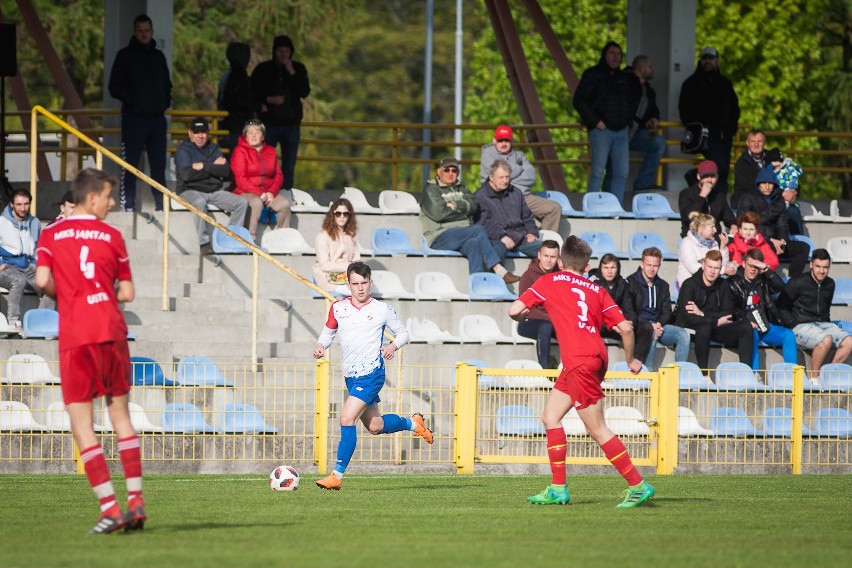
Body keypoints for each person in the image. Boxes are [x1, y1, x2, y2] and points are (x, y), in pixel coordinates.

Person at [34, 168, 144, 534]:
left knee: (82, 424)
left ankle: (111, 509)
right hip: (110, 329)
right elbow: (127, 293)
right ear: (92, 197)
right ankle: (136, 502)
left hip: (76, 334)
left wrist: (69, 297)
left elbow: (41, 281)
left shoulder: (50, 234)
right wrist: (102, 294)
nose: (112, 203)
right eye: (109, 196)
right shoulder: (111, 235)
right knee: (121, 416)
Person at [508, 235, 654, 508]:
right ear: (588, 267)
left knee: (596, 428)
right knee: (550, 416)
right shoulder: (596, 289)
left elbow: (514, 309)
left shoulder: (549, 280)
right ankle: (558, 488)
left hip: (578, 360)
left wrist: (523, 316)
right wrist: (632, 359)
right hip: (596, 357)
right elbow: (626, 328)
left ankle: (638, 484)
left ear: (561, 262)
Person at [313, 261, 433, 490]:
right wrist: (321, 345)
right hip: (352, 376)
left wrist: (392, 346)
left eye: (364, 283)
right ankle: (413, 423)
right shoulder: (338, 308)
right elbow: (328, 332)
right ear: (348, 284)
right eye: (355, 283)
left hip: (372, 373)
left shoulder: (382, 309)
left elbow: (404, 334)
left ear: (371, 283)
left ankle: (336, 476)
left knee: (346, 419)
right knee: (375, 426)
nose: (360, 288)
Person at [108, 14, 171, 212]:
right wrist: (134, 101)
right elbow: (114, 86)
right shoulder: (124, 55)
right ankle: (128, 205)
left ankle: (161, 206)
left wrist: (164, 102)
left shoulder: (159, 56)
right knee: (130, 164)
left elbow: (167, 85)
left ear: (152, 32)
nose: (144, 35)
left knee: (158, 166)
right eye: (140, 31)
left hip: (157, 119)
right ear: (135, 32)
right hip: (134, 119)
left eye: (147, 31)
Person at [420, 157, 519, 283]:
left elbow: (473, 206)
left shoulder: (461, 187)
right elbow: (441, 214)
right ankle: (498, 269)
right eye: (447, 170)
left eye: (454, 170)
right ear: (439, 171)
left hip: (462, 234)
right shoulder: (431, 190)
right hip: (439, 236)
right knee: (477, 229)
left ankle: (477, 285)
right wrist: (463, 209)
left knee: (474, 243)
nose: (451, 173)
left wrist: (455, 206)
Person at [573, 41, 636, 204]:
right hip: (601, 130)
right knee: (597, 172)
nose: (615, 57)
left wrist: (628, 121)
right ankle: (592, 206)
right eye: (611, 53)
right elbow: (579, 100)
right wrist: (595, 121)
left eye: (618, 54)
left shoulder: (624, 77)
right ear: (604, 55)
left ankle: (615, 208)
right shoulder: (592, 74)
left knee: (621, 172)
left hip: (621, 131)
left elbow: (632, 101)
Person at [175, 117, 248, 254]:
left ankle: (230, 240)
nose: (200, 136)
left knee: (242, 202)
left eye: (203, 132)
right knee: (199, 201)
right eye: (197, 132)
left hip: (213, 190)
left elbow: (225, 171)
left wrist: (203, 166)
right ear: (190, 133)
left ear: (208, 133)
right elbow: (187, 176)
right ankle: (204, 244)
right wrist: (213, 168)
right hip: (189, 190)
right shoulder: (183, 150)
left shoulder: (214, 147)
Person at [676, 250, 755, 374]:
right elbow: (687, 317)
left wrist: (703, 314)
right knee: (705, 327)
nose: (712, 271)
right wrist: (714, 320)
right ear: (703, 266)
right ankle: (704, 374)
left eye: (717, 268)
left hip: (716, 326)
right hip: (694, 327)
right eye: (710, 267)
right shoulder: (689, 285)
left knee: (745, 327)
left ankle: (746, 372)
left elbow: (728, 312)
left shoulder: (723, 285)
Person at [777, 249, 852, 379]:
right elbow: (781, 306)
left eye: (825, 267)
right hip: (801, 325)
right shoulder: (797, 282)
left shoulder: (830, 284)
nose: (821, 271)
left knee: (849, 342)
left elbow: (826, 307)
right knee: (826, 339)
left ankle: (829, 376)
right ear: (811, 265)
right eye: (818, 266)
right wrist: (792, 323)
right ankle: (814, 378)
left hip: (823, 324)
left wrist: (827, 324)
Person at [250, 35, 311, 190]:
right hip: (269, 125)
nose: (283, 55)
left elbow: (304, 91)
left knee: (289, 167)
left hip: (291, 126)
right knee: (265, 164)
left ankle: (286, 194)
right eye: (279, 51)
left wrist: (291, 71)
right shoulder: (263, 69)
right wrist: (268, 100)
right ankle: (264, 192)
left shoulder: (298, 68)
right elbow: (251, 92)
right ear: (274, 51)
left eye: (286, 51)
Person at [678, 46, 740, 195]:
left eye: (710, 58)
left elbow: (735, 108)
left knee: (722, 169)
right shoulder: (691, 83)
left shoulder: (725, 83)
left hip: (725, 134)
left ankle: (718, 200)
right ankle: (696, 178)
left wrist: (731, 128)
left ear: (717, 61)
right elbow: (684, 109)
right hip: (704, 135)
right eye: (704, 58)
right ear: (701, 61)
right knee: (722, 166)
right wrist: (697, 128)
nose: (707, 61)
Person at [479, 124, 561, 232]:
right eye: (500, 140)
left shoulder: (519, 155)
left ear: (512, 141)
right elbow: (500, 175)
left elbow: (531, 176)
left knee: (554, 208)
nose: (503, 143)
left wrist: (509, 182)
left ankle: (545, 244)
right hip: (500, 197)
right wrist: (518, 168)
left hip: (524, 196)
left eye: (507, 140)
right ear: (494, 140)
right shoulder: (487, 154)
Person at [603, 55, 666, 193]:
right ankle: (606, 199)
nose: (653, 70)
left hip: (635, 132)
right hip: (619, 129)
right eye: (650, 67)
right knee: (613, 169)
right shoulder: (623, 81)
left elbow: (652, 110)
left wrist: (653, 118)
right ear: (641, 68)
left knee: (658, 143)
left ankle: (643, 183)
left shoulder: (649, 91)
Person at [727, 248, 798, 370]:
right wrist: (746, 322)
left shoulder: (762, 280)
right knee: (751, 334)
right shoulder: (733, 282)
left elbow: (781, 287)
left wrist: (765, 269)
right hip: (745, 326)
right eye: (750, 265)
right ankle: (755, 375)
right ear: (743, 264)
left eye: (756, 266)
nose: (753, 269)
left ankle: (792, 376)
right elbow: (731, 308)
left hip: (764, 325)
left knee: (788, 335)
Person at [736, 165, 810, 276]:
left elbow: (783, 225)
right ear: (758, 184)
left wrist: (782, 241)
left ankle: (794, 281)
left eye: (770, 183)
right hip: (756, 243)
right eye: (764, 183)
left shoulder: (778, 199)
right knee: (766, 247)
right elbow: (745, 225)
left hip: (776, 243)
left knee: (803, 248)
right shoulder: (747, 198)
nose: (767, 186)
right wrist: (769, 240)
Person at [625, 247, 691, 370]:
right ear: (642, 264)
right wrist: (650, 325)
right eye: (648, 265)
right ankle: (649, 373)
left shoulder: (663, 285)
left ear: (659, 265)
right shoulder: (630, 282)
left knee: (683, 334)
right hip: (641, 326)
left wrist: (659, 323)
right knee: (651, 331)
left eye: (655, 265)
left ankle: (678, 374)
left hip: (660, 325)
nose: (652, 268)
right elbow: (630, 311)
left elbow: (667, 311)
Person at [0, 189, 55, 330]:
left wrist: (36, 264)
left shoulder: (35, 222)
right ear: (12, 204)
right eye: (18, 204)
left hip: (28, 267)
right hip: (6, 267)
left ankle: (40, 323)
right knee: (18, 279)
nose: (22, 208)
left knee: (51, 284)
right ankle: (13, 321)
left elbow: (38, 248)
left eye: (26, 204)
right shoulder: (2, 222)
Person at [229, 119, 291, 241]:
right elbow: (240, 179)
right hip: (244, 192)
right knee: (256, 203)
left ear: (262, 136)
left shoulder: (271, 151)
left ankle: (282, 239)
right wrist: (260, 193)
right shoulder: (239, 151)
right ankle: (248, 240)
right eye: (250, 132)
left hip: (268, 192)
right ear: (245, 135)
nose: (253, 135)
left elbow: (279, 175)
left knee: (284, 204)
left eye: (257, 132)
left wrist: (271, 192)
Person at [474, 159, 542, 262]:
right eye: (501, 177)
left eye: (507, 177)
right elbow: (484, 223)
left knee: (548, 249)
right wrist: (502, 236)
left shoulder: (516, 192)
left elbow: (527, 216)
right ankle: (495, 277)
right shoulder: (480, 196)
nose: (505, 181)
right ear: (491, 178)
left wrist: (532, 233)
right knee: (497, 251)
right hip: (497, 238)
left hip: (521, 237)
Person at [517, 240, 561, 368]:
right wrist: (552, 318)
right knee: (545, 326)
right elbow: (526, 308)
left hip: (554, 321)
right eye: (546, 256)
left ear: (558, 258)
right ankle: (544, 370)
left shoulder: (561, 276)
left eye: (553, 257)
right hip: (529, 321)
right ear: (539, 256)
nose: (549, 260)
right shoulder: (528, 276)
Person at [587, 254, 644, 346]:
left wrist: (630, 322)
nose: (609, 271)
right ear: (600, 269)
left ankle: (636, 359)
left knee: (645, 327)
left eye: (613, 267)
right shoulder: (593, 283)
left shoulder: (623, 283)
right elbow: (594, 314)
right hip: (601, 327)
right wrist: (613, 325)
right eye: (606, 267)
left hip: (618, 326)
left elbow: (629, 308)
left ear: (617, 269)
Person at [312, 199, 360, 296]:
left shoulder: (351, 236)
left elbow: (357, 260)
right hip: (329, 280)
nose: (342, 217)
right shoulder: (322, 237)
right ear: (332, 215)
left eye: (345, 214)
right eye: (338, 213)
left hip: (348, 278)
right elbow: (324, 265)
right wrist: (349, 265)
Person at [678, 159, 737, 238]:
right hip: (693, 237)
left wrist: (733, 225)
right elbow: (688, 217)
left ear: (717, 177)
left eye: (713, 176)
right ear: (698, 176)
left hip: (715, 237)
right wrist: (702, 196)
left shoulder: (719, 195)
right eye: (705, 176)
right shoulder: (686, 193)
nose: (709, 180)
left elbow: (729, 216)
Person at [677, 212, 734, 289]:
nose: (715, 230)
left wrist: (723, 248)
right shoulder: (687, 243)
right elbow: (693, 268)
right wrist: (722, 270)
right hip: (690, 288)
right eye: (712, 227)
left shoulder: (714, 243)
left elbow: (721, 264)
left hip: (710, 286)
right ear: (702, 229)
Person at [217, 42, 256, 153]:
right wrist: (257, 106)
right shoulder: (238, 77)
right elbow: (238, 101)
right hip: (236, 127)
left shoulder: (226, 75)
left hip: (227, 127)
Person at [765, 148, 805, 236]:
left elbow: (794, 188)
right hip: (770, 205)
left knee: (793, 212)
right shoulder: (766, 173)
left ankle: (798, 241)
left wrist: (793, 192)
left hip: (789, 205)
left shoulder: (790, 171)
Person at [732, 129, 768, 207]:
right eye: (752, 141)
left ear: (764, 143)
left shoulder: (772, 157)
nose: (756, 144)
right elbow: (750, 187)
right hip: (747, 203)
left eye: (759, 141)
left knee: (793, 212)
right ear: (747, 143)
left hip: (770, 200)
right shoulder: (742, 163)